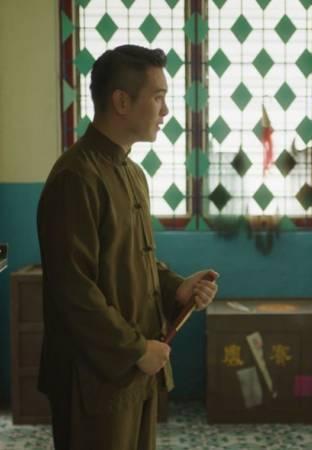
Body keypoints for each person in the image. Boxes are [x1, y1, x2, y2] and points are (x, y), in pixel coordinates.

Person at [37, 45, 219, 450]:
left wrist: (177, 288)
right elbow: (73, 289)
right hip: (92, 378)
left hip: (133, 370)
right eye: (158, 97)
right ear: (121, 101)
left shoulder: (132, 173)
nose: (165, 111)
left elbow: (133, 260)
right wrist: (135, 349)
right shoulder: (76, 177)